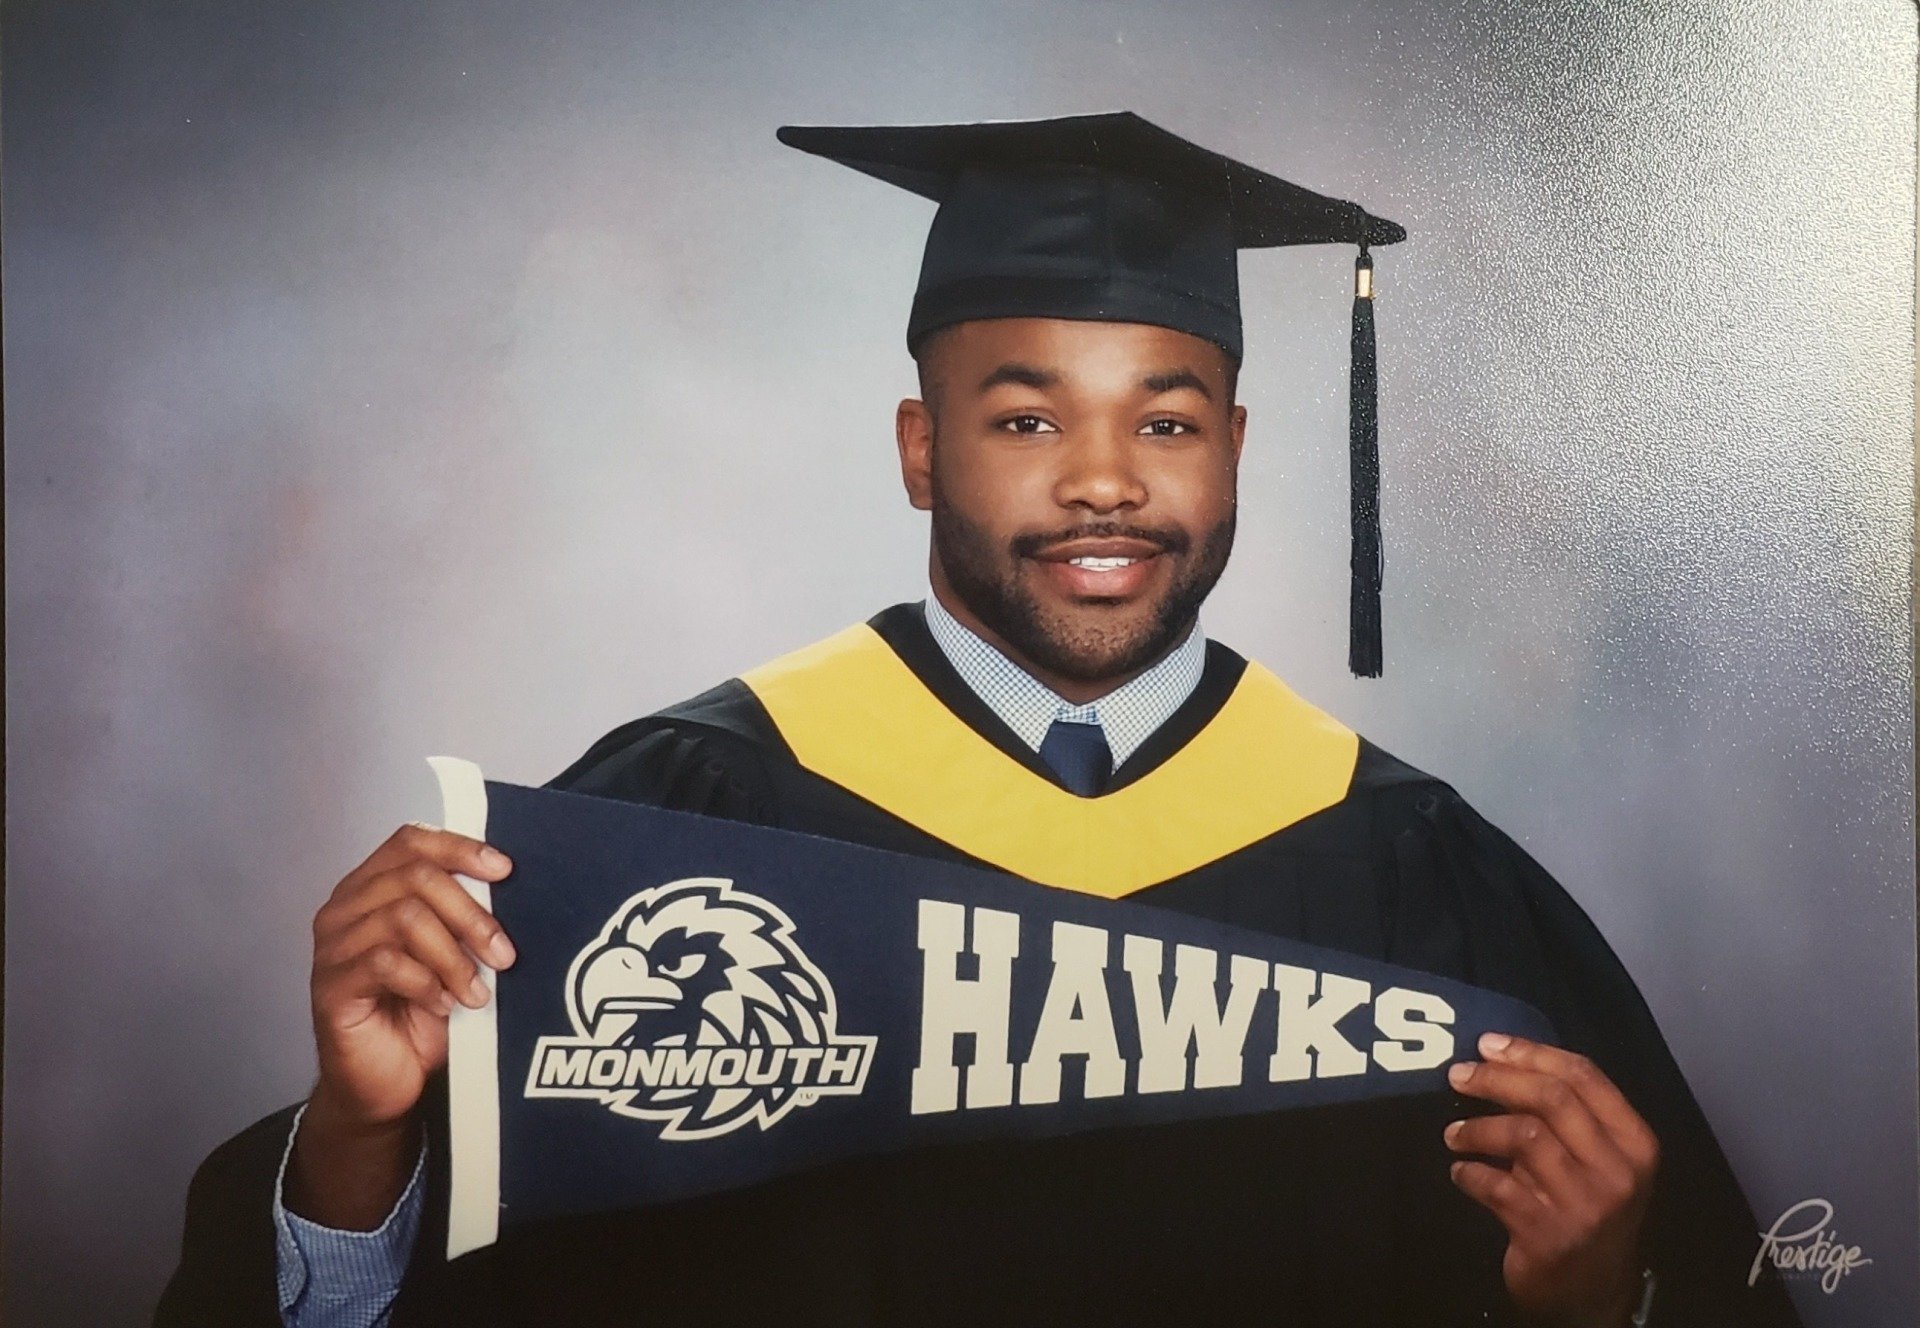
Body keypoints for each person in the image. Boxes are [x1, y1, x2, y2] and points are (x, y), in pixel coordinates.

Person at [157, 113, 1799, 1328]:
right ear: (918, 450)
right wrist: (361, 1145)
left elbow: (1717, 1278)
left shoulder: (1411, 869)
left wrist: (1603, 1305)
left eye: (1165, 419)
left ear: (1235, 444)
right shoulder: (700, 811)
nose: (1104, 478)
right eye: (1024, 417)